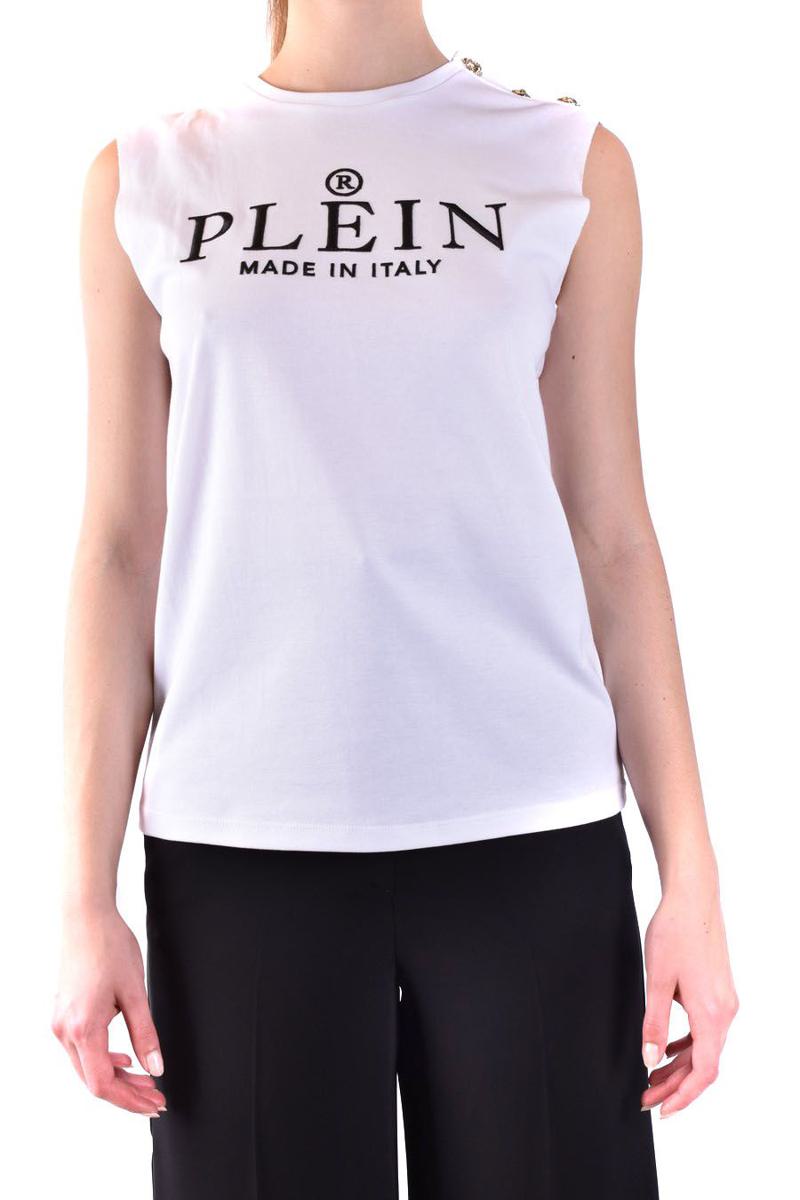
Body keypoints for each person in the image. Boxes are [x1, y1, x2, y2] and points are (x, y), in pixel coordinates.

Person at [52, 2, 738, 1196]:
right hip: (239, 843)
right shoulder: (146, 176)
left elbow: (613, 537)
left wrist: (692, 877)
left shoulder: (566, 162)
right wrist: (81, 896)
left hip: (529, 833)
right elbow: (119, 549)